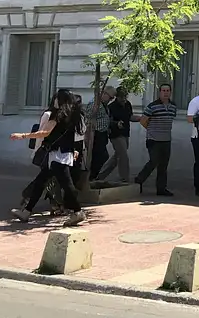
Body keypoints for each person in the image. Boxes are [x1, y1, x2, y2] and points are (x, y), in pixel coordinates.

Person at [9, 88, 86, 226]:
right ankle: (26, 211)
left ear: (60, 100)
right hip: (62, 153)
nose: (54, 100)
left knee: (67, 185)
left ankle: (78, 211)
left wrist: (23, 135)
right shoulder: (72, 115)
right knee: (40, 182)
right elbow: (76, 135)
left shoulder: (58, 115)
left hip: (58, 155)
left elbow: (44, 132)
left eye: (56, 98)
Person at [135, 83, 177, 197]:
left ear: (170, 92)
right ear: (160, 92)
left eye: (168, 90)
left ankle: (161, 188)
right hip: (154, 139)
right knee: (153, 161)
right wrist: (151, 130)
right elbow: (143, 120)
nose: (165, 93)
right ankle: (138, 181)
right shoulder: (152, 106)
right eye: (163, 90)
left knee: (163, 165)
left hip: (166, 140)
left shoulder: (173, 106)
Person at [99, 87, 137, 183]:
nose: (123, 99)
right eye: (121, 97)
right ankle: (124, 178)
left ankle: (100, 175)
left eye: (125, 97)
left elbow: (130, 117)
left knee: (117, 157)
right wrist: (116, 123)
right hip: (115, 134)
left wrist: (140, 118)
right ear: (117, 97)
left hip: (125, 133)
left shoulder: (128, 104)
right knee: (123, 155)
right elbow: (108, 120)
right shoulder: (112, 106)